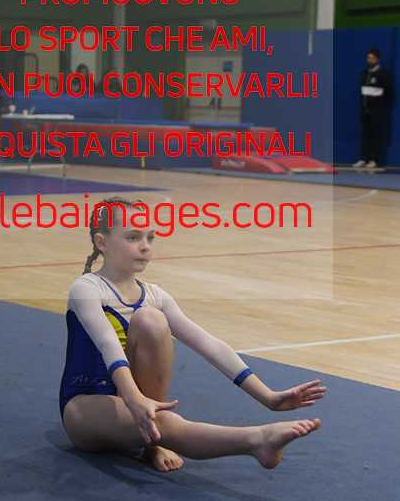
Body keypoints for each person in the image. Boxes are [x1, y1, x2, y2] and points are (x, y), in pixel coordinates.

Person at [59, 197, 325, 473]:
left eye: (150, 237)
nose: (145, 246)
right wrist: (134, 399)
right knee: (166, 424)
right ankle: (256, 440)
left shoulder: (155, 296)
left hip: (140, 404)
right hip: (86, 408)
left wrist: (268, 397)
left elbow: (209, 344)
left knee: (151, 319)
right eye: (133, 237)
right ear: (102, 243)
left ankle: (152, 440)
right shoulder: (87, 289)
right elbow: (107, 343)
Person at [354, 48, 392, 169]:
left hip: (377, 111)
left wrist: (379, 106)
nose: (369, 60)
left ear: (377, 59)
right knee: (365, 135)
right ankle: (363, 159)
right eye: (368, 58)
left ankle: (373, 160)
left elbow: (388, 92)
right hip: (365, 110)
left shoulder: (383, 74)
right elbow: (363, 91)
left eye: (372, 58)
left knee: (376, 135)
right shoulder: (365, 73)